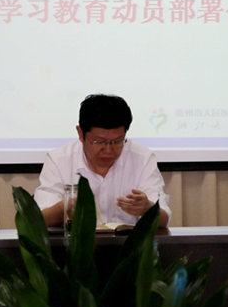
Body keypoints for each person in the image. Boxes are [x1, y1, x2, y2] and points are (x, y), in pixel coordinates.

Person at [34, 94, 171, 228]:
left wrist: (148, 209)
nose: (108, 150)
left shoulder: (143, 158)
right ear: (80, 133)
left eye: (117, 141)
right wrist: (66, 206)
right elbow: (40, 219)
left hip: (128, 242)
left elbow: (164, 219)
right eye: (99, 142)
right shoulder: (59, 160)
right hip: (77, 243)